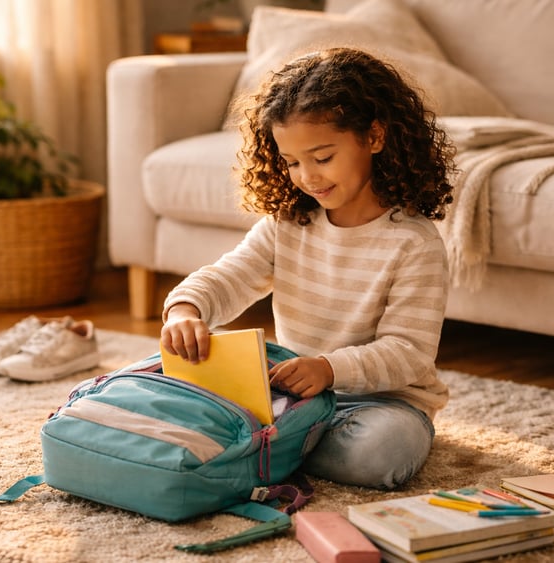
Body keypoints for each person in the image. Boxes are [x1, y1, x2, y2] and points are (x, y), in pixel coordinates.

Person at [160, 47, 455, 490]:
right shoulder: (288, 223)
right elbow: (231, 275)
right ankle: (274, 444)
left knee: (381, 453)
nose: (307, 177)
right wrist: (185, 308)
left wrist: (329, 369)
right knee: (177, 384)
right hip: (294, 395)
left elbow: (407, 353)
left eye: (322, 157)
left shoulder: (414, 243)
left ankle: (258, 447)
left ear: (374, 137)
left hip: (381, 405)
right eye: (293, 162)